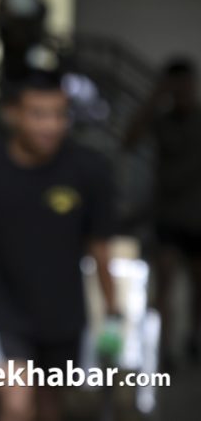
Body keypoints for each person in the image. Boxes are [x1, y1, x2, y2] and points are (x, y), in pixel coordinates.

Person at [0, 70, 119, 421]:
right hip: (5, 312)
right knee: (16, 405)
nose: (51, 125)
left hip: (64, 315)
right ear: (13, 114)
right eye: (39, 114)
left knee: (49, 409)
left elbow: (99, 248)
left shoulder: (89, 171)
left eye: (59, 114)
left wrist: (114, 313)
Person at [124, 57, 201, 365]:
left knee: (198, 285)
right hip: (168, 216)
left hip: (197, 216)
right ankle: (164, 346)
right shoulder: (161, 119)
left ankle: (194, 339)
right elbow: (129, 139)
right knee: (165, 283)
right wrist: (154, 99)